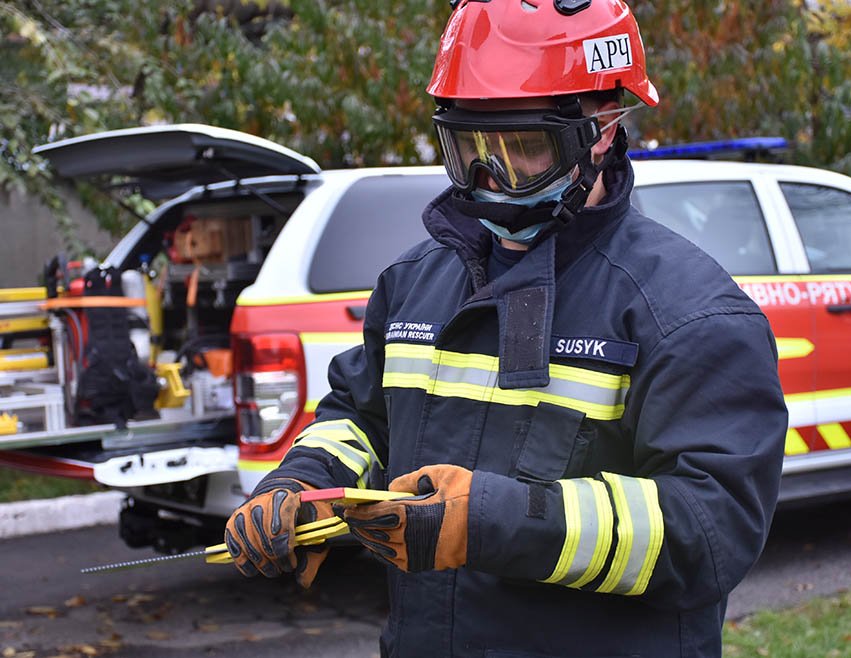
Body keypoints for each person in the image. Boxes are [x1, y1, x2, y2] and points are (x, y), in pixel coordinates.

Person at [224, 0, 788, 656]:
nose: (489, 182)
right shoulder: (413, 285)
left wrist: (498, 523)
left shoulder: (686, 313)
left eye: (521, 149)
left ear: (601, 129)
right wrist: (303, 481)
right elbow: (361, 417)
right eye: (468, 150)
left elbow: (710, 532)